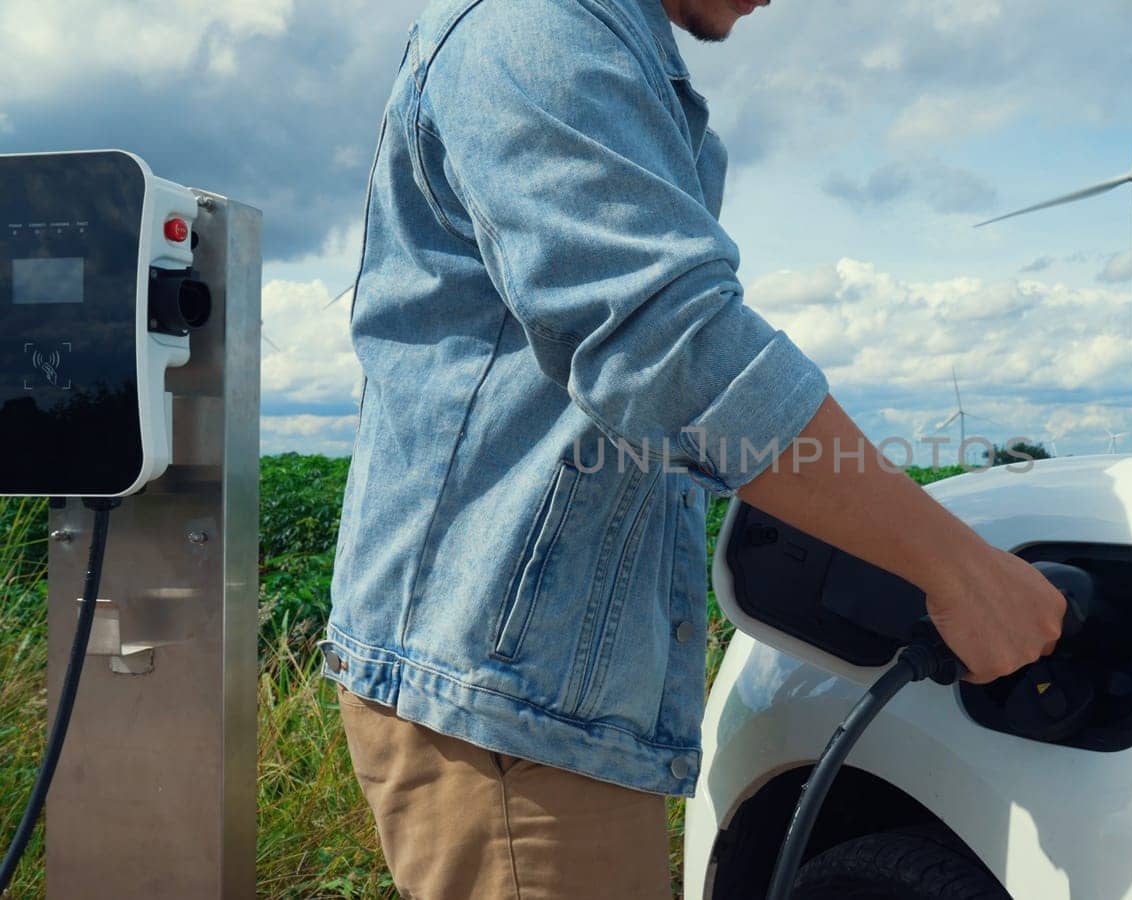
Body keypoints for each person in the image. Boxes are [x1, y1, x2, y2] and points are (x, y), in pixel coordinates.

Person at [322, 0, 1067, 896]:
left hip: (532, 696)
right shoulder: (530, 25)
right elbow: (671, 346)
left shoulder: (586, 37)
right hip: (506, 706)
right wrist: (962, 572)